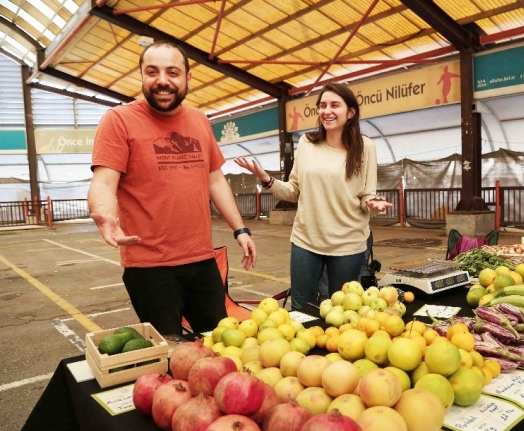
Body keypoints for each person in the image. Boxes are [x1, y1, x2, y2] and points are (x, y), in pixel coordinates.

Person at [87, 41, 256, 336]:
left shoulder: (199, 120)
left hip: (202, 260)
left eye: (173, 72)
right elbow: (103, 181)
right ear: (141, 75)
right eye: (152, 72)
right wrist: (104, 215)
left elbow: (215, 180)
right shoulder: (119, 120)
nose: (162, 80)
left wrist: (240, 230)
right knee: (169, 351)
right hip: (150, 267)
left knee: (218, 343)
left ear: (187, 79)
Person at [235, 83, 392, 310]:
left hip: (348, 243)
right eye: (322, 105)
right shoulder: (307, 143)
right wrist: (266, 178)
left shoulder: (365, 146)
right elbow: (294, 191)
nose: (326, 111)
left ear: (351, 112)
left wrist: (372, 201)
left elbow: (367, 193)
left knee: (341, 308)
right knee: (301, 308)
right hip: (306, 240)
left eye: (334, 105)